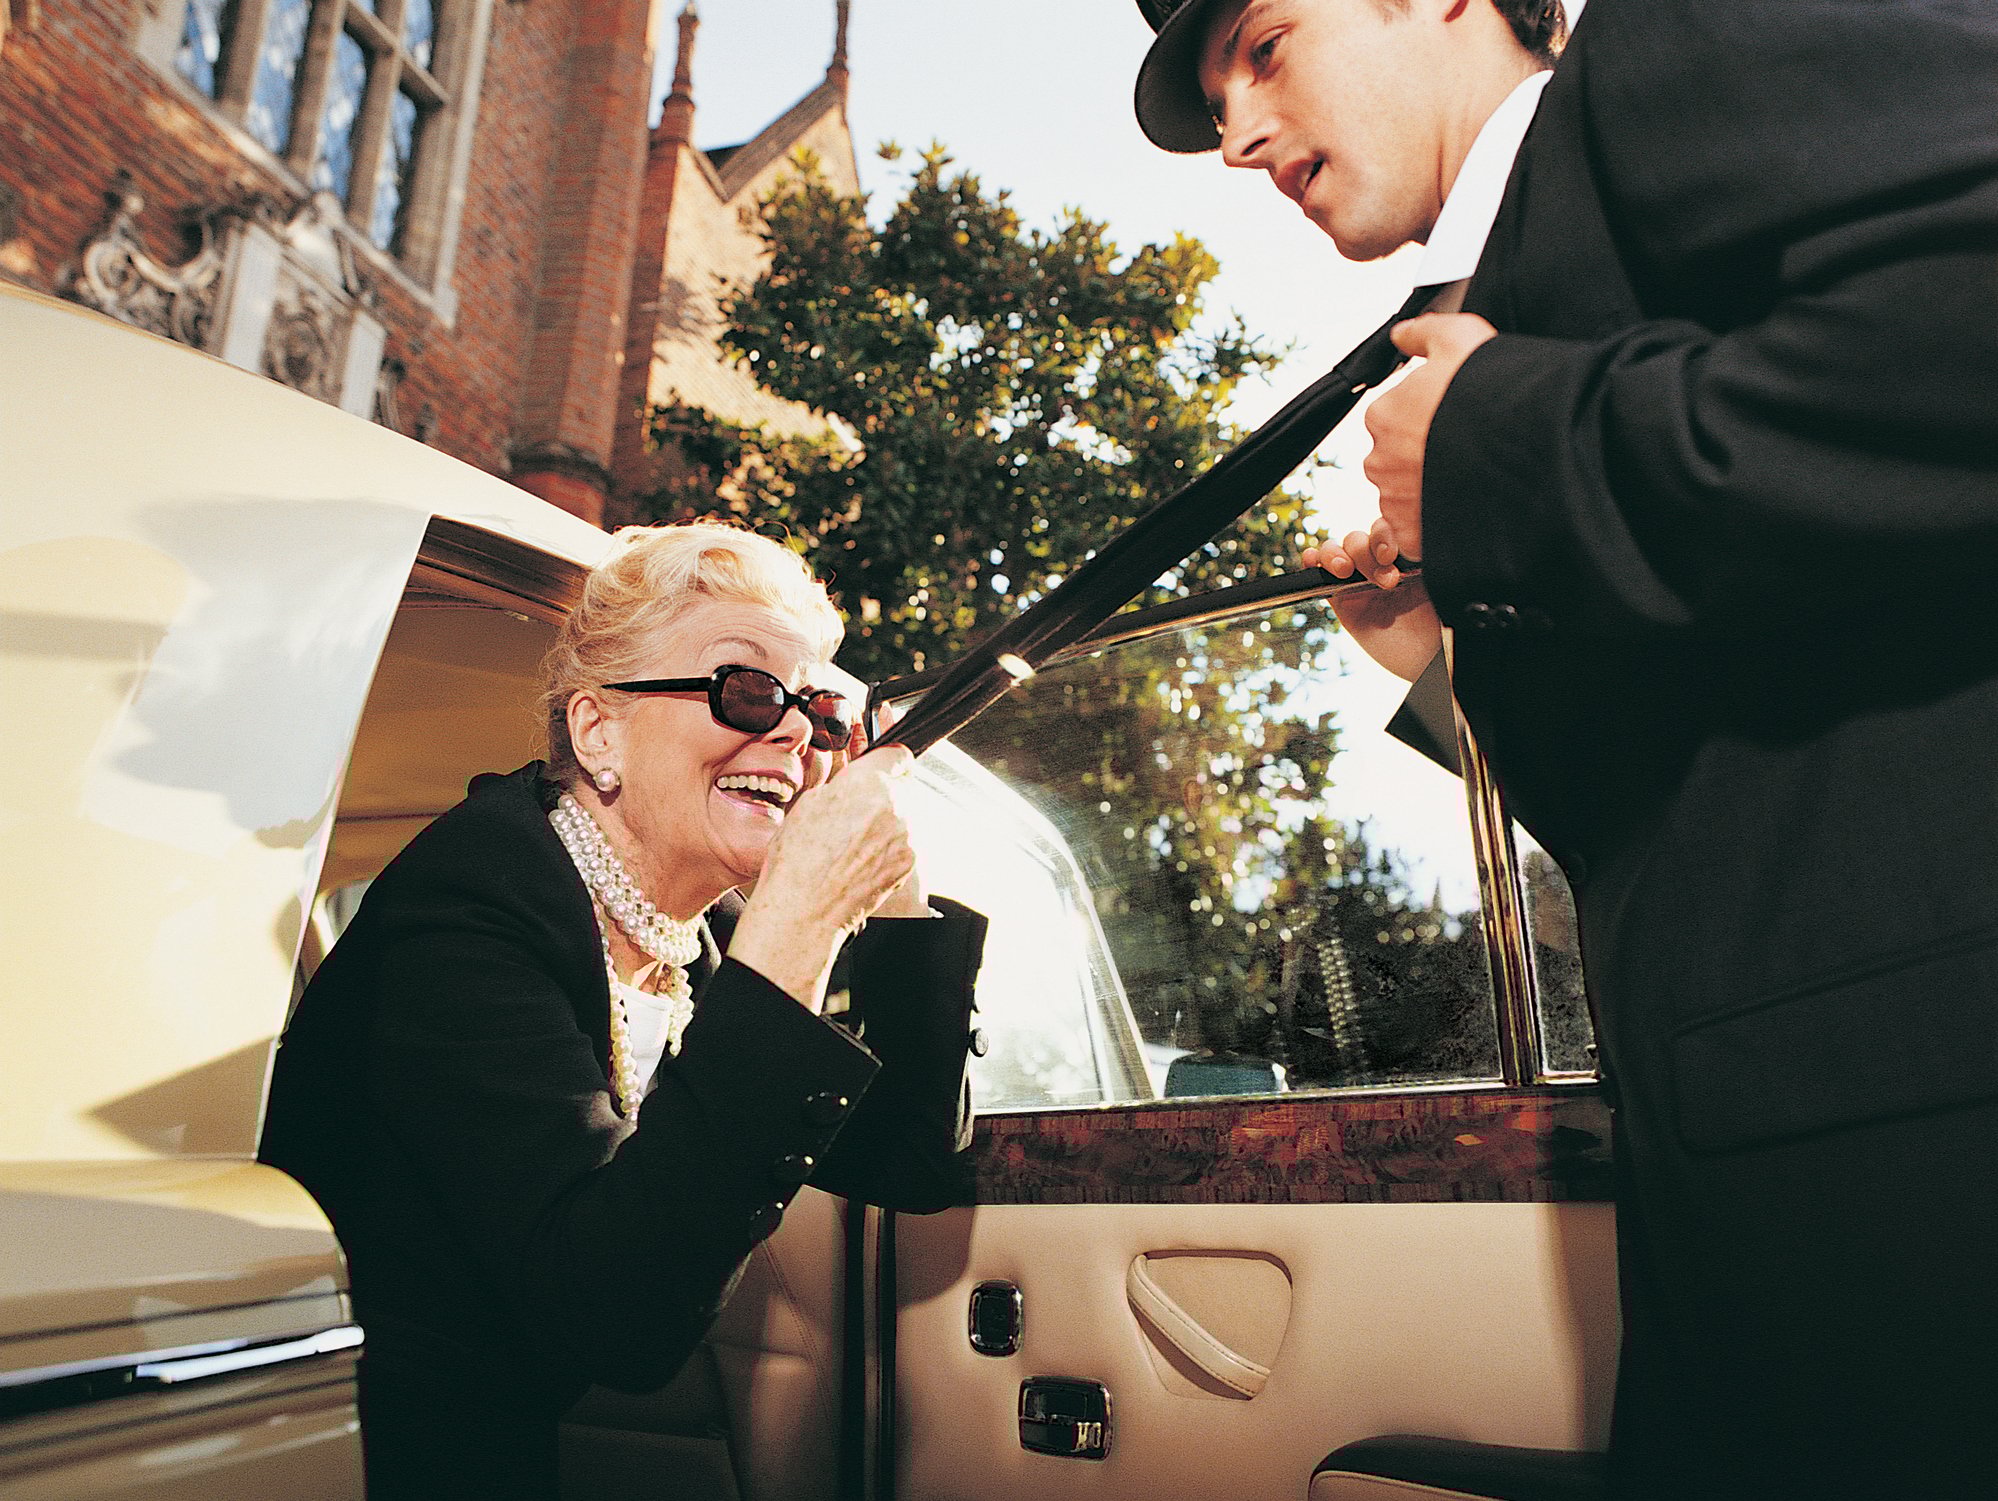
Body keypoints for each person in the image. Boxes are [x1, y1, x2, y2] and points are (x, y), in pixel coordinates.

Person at [1130, 0, 1998, 1496]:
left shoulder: (1675, 39)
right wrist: (1448, 652)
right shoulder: (1507, 276)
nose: (1237, 137)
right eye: (1217, 101)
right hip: (1768, 1219)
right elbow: (1726, 810)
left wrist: (1494, 447)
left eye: (1263, 48)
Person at [260, 520, 987, 1500]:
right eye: (748, 689)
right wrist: (798, 925)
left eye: (817, 709)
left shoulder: (702, 940)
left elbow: (902, 1159)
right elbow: (617, 1315)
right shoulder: (474, 895)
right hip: (361, 1451)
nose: (794, 733)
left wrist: (891, 887)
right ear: (597, 728)